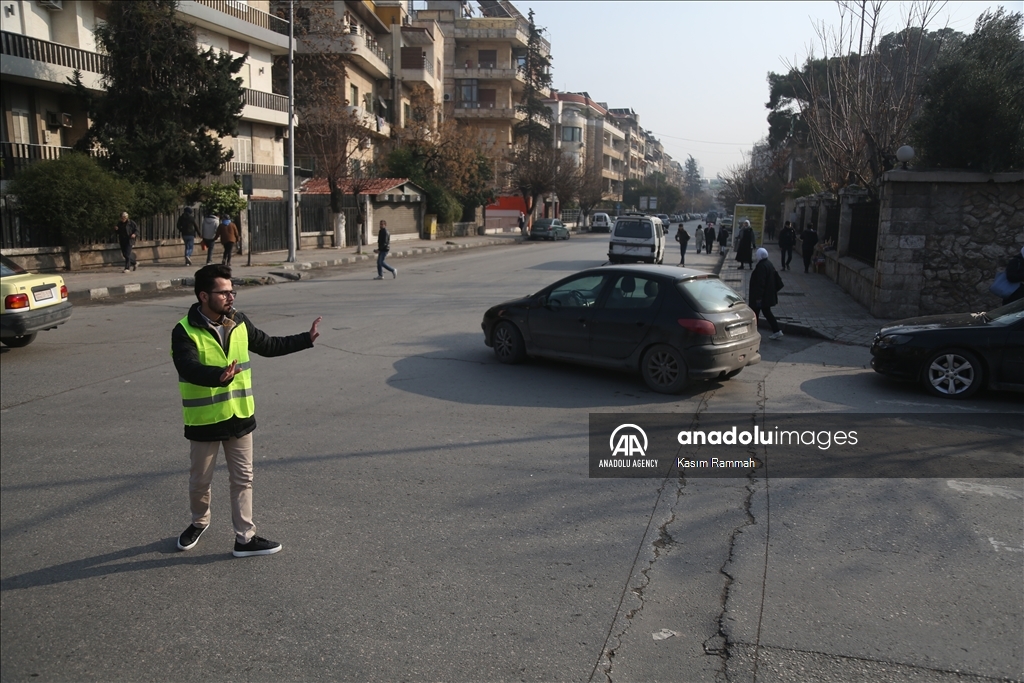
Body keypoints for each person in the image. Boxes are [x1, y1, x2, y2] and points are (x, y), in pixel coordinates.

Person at [172, 264, 322, 557]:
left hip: (239, 416)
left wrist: (305, 339)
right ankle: (199, 522)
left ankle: (245, 537)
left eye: (232, 291)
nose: (231, 297)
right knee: (200, 480)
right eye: (224, 292)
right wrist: (217, 377)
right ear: (204, 295)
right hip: (205, 420)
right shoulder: (184, 330)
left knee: (243, 478)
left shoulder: (237, 321)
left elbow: (267, 345)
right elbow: (187, 366)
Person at [749, 248, 784, 340]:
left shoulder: (761, 266)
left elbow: (760, 283)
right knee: (766, 313)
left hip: (762, 297)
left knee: (755, 313)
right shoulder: (769, 264)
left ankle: (753, 333)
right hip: (767, 296)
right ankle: (776, 331)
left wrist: (758, 297)